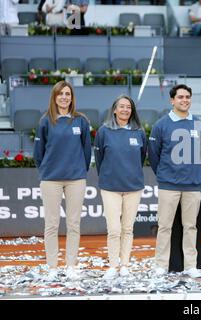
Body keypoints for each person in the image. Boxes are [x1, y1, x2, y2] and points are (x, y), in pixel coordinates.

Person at [148, 84, 201, 278]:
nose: (184, 100)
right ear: (172, 100)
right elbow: (154, 155)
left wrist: (194, 171)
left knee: (190, 227)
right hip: (169, 185)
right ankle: (160, 265)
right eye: (180, 97)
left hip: (192, 185)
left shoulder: (199, 124)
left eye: (187, 97)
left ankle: (191, 265)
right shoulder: (161, 125)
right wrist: (165, 175)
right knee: (164, 226)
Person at [33, 81, 91, 281]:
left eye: (68, 94)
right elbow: (38, 154)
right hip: (51, 180)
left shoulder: (81, 121)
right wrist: (47, 171)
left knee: (74, 223)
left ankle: (71, 265)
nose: (64, 97)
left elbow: (86, 150)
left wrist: (79, 171)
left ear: (72, 97)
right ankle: (52, 267)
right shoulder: (46, 121)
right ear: (55, 97)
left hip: (76, 179)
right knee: (51, 224)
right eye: (61, 94)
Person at [94, 95, 147, 280]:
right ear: (114, 109)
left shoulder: (139, 132)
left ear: (132, 111)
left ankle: (124, 264)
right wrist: (110, 175)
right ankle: (113, 265)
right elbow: (99, 160)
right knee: (114, 229)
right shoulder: (104, 131)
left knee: (127, 228)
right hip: (110, 187)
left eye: (128, 107)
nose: (125, 110)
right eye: (121, 107)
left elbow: (141, 157)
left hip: (133, 187)